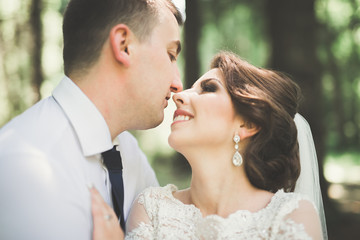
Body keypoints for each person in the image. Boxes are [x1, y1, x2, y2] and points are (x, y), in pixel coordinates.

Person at [90, 51, 328, 239]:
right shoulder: (152, 208)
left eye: (209, 88)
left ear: (247, 124)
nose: (179, 95)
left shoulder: (291, 215)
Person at [0, 0, 183, 239]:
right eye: (170, 55)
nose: (177, 84)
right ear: (124, 45)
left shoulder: (129, 153)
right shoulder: (26, 166)